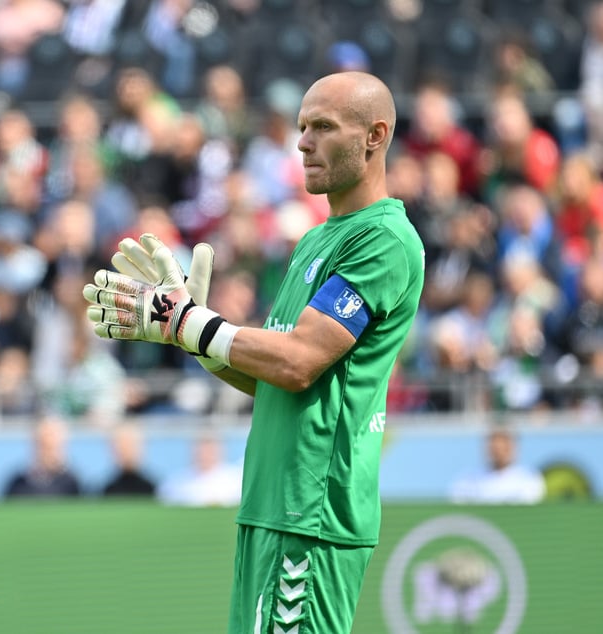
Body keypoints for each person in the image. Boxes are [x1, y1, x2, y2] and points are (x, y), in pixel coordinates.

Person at [83, 72, 424, 633]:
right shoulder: (318, 238)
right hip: (271, 504)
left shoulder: (384, 239)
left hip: (312, 509)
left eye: (323, 128)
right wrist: (190, 335)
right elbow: (272, 373)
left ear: (375, 135)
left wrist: (192, 323)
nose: (303, 143)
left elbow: (298, 360)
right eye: (301, 127)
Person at [449, 427, 546, 504]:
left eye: (504, 443)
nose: (498, 449)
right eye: (493, 443)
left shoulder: (529, 478)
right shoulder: (467, 479)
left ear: (513, 446)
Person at [3, 416, 82, 498]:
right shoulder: (18, 484)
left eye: (53, 447)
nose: (49, 453)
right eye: (44, 446)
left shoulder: (71, 485)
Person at [156, 432, 242, 507]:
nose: (205, 455)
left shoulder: (236, 480)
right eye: (202, 450)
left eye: (210, 450)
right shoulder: (176, 481)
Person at [101, 422, 156, 497]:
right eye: (122, 446)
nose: (126, 450)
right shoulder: (107, 490)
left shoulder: (154, 490)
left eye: (131, 445)